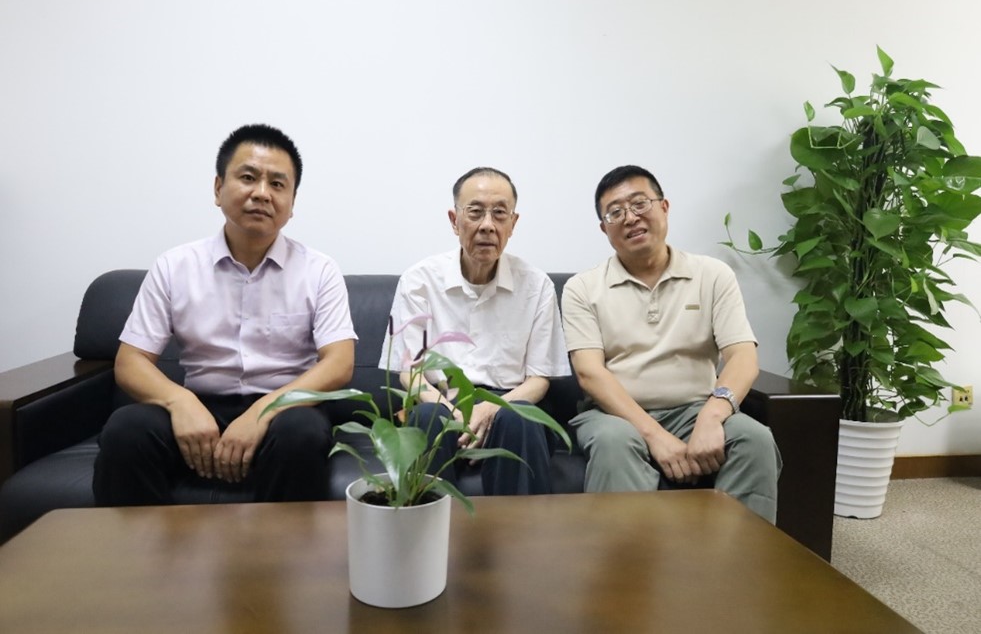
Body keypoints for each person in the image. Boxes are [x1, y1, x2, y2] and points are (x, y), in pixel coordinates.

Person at [93, 124, 357, 506]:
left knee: (301, 434)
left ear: (292, 203)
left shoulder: (319, 270)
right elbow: (130, 361)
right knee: (126, 429)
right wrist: (180, 402)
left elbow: (339, 363)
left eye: (277, 184)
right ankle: (144, 547)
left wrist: (263, 412)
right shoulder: (175, 266)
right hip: (198, 406)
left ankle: (279, 548)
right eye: (248, 178)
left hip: (285, 410)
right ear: (218, 188)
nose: (262, 193)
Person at [561, 164, 781, 522]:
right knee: (614, 444)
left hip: (696, 408)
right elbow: (589, 373)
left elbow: (743, 356)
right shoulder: (582, 288)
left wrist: (713, 415)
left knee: (753, 439)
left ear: (664, 207)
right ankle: (627, 557)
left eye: (640, 203)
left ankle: (737, 554)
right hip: (615, 416)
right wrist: (655, 436)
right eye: (615, 212)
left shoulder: (712, 275)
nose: (630, 218)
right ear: (604, 229)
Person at [380, 167, 570, 495]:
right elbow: (410, 373)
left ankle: (520, 528)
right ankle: (429, 525)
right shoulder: (419, 281)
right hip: (439, 401)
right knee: (427, 416)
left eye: (499, 213)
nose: (487, 225)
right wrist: (455, 412)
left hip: (509, 403)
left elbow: (539, 379)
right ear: (454, 220)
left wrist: (490, 408)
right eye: (475, 212)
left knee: (521, 418)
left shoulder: (536, 285)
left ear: (513, 223)